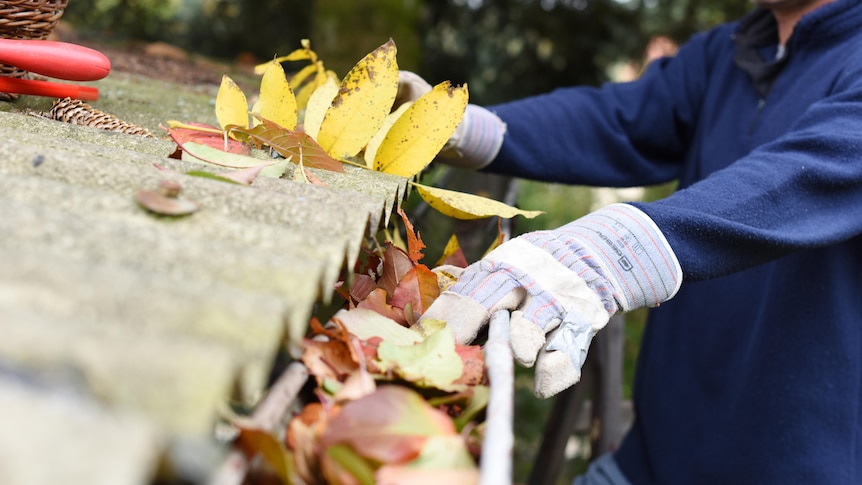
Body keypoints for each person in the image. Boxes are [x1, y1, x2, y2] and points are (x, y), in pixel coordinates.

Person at [404, 0, 862, 482]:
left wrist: (612, 251)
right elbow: (617, 120)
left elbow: (815, 170)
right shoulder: (730, 52)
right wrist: (455, 127)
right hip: (648, 462)